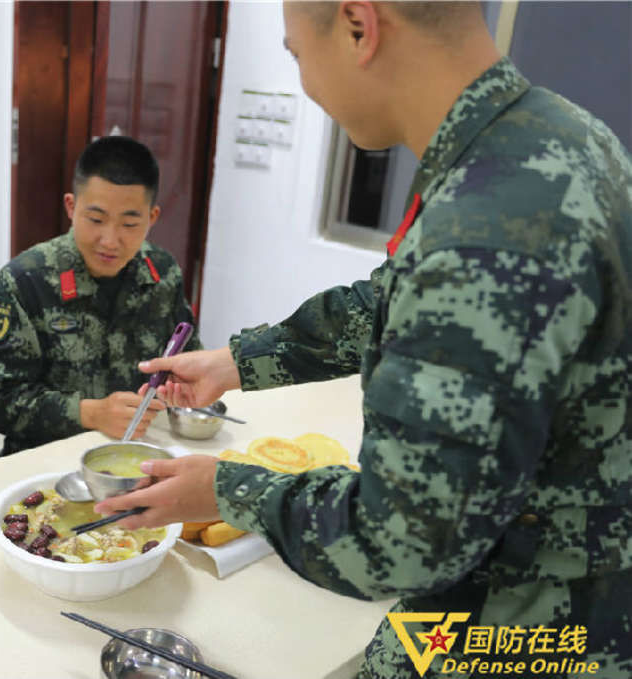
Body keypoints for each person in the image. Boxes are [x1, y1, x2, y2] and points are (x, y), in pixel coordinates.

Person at [96, 3, 632, 677]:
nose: (307, 86)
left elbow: (399, 542)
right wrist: (238, 360)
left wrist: (230, 490)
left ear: (358, 26)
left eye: (297, 56)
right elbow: (391, 300)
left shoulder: (483, 229)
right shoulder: (551, 138)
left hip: (530, 628)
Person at [0, 135, 201, 455]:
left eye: (129, 223)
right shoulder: (24, 282)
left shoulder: (162, 273)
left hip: (139, 451)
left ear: (151, 218)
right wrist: (89, 414)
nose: (109, 240)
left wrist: (178, 388)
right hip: (46, 461)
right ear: (71, 206)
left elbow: (186, 361)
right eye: (96, 220)